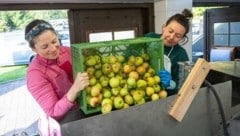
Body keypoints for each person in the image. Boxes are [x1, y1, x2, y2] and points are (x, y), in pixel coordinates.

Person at [24, 19, 89, 121]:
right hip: (69, 120)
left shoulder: (67, 51)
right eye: (45, 46)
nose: (53, 48)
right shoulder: (35, 75)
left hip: (89, 105)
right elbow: (53, 112)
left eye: (54, 41)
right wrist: (75, 88)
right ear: (34, 49)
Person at [144, 9, 193, 96]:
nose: (171, 37)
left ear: (182, 38)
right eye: (170, 31)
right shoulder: (149, 38)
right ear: (164, 27)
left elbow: (182, 85)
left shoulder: (181, 54)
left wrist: (171, 84)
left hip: (161, 96)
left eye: (178, 36)